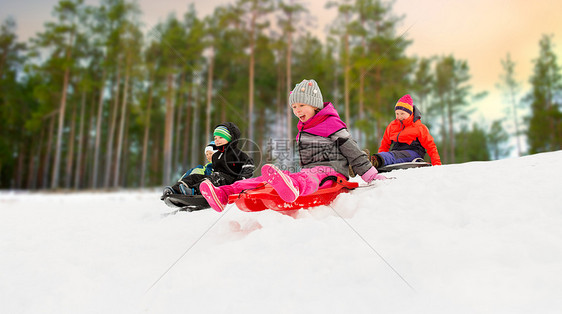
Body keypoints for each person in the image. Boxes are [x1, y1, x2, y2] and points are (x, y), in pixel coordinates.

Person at [199, 79, 386, 212]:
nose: (297, 111)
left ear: (315, 106)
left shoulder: (333, 124)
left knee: (309, 176)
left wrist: (370, 174)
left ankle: (294, 186)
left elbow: (352, 150)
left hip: (332, 173)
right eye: (294, 107)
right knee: (273, 179)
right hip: (310, 173)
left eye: (301, 106)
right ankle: (224, 192)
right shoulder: (304, 129)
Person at [162, 123, 255, 198]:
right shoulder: (216, 155)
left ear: (230, 138)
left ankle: (194, 192)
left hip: (231, 181)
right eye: (215, 138)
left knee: (215, 177)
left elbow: (249, 165)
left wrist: (242, 179)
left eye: (221, 137)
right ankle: (175, 190)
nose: (217, 140)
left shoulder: (237, 153)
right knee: (195, 176)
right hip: (215, 179)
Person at [371, 94, 441, 169]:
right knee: (392, 155)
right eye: (397, 114)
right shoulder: (392, 126)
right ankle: (370, 161)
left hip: (413, 153)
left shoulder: (419, 127)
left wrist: (436, 165)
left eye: (402, 113)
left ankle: (375, 161)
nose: (399, 117)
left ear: (410, 113)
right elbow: (384, 144)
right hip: (396, 153)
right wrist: (380, 155)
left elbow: (431, 146)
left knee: (394, 156)